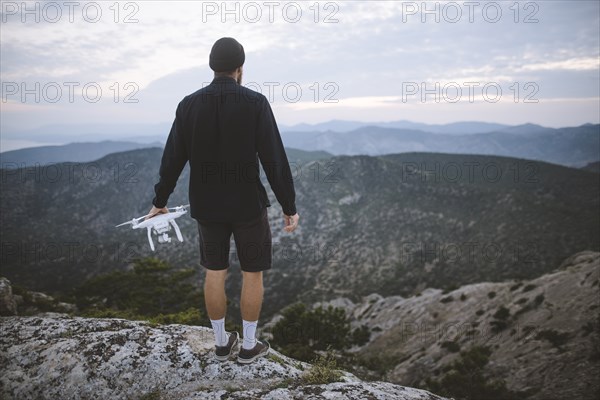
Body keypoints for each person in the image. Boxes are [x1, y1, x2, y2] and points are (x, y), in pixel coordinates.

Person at [147, 37, 299, 364]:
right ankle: (248, 345)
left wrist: (160, 199)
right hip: (247, 205)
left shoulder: (188, 104)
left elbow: (172, 158)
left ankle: (219, 343)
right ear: (240, 68)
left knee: (215, 272)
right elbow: (274, 160)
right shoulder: (255, 103)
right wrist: (289, 206)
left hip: (207, 207)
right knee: (252, 272)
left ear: (212, 66)